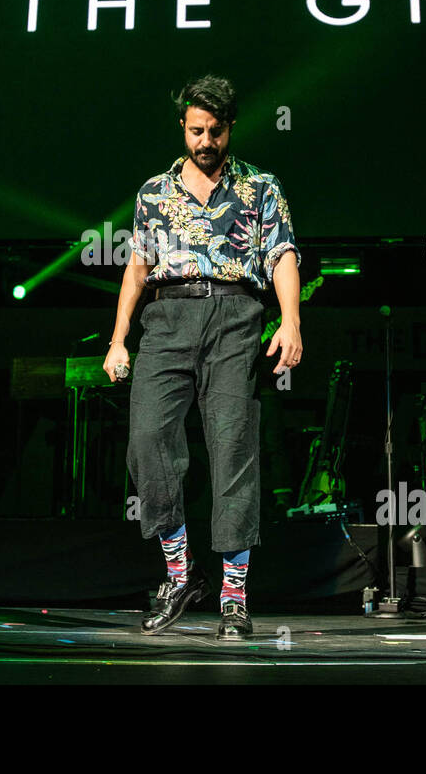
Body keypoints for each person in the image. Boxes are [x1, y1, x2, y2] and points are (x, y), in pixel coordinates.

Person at [103, 75, 303, 640]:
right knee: (146, 437)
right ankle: (179, 571)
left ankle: (234, 597)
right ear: (183, 127)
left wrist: (290, 320)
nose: (206, 140)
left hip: (236, 315)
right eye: (196, 130)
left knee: (232, 444)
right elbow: (136, 268)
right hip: (166, 319)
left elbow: (283, 253)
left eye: (215, 131)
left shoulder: (260, 187)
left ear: (230, 127)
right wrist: (118, 340)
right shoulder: (153, 192)